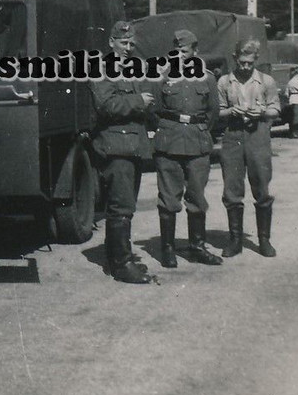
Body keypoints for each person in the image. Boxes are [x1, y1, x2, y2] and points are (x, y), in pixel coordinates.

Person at [89, 21, 154, 284]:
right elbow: (105, 105)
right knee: (121, 207)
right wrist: (139, 102)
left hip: (132, 147)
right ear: (111, 42)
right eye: (124, 43)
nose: (129, 48)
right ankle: (122, 264)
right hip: (116, 147)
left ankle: (115, 257)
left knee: (126, 205)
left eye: (131, 43)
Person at [151, 30, 222, 268]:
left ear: (195, 51)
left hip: (197, 143)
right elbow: (155, 111)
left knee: (197, 198)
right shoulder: (162, 78)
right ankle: (168, 249)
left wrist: (198, 130)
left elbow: (212, 114)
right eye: (176, 51)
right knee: (168, 199)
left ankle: (197, 247)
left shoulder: (208, 79)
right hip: (169, 143)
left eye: (184, 51)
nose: (180, 56)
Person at [216, 39, 281, 258]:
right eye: (241, 62)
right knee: (232, 189)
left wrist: (262, 112)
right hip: (232, 136)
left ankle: (264, 240)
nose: (245, 67)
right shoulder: (224, 82)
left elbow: (275, 109)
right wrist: (231, 111)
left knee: (262, 186)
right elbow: (218, 112)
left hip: (258, 135)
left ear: (255, 61)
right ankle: (235, 240)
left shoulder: (266, 81)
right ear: (235, 59)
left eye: (249, 63)